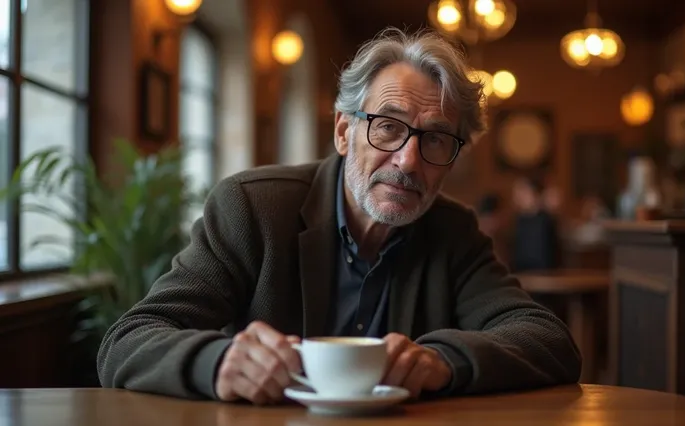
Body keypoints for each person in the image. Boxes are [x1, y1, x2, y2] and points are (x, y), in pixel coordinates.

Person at [97, 28, 581, 405]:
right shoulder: (253, 208)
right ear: (344, 131)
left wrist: (443, 361)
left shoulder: (453, 232)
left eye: (435, 139)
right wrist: (217, 362)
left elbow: (548, 341)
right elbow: (127, 341)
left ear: (451, 159)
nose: (408, 160)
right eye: (388, 127)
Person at [510, 176, 562, 272]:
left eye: (523, 192)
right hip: (521, 273)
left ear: (535, 194)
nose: (518, 197)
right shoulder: (517, 220)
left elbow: (551, 254)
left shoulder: (546, 220)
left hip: (545, 274)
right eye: (517, 194)